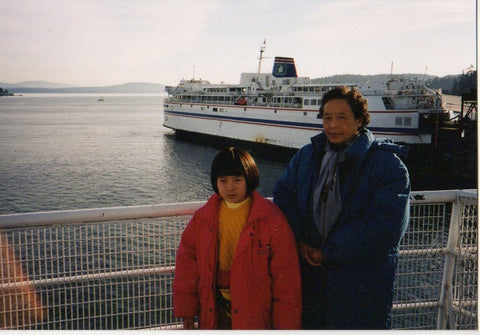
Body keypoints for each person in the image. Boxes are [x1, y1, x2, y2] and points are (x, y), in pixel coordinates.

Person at [273, 86, 410, 329]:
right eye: (327, 118)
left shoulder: (387, 165)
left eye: (341, 117)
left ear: (359, 120)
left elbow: (385, 227)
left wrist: (328, 252)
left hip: (361, 287)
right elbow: (284, 195)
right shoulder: (307, 156)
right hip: (313, 281)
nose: (332, 125)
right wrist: (301, 239)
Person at [173, 147, 301, 329]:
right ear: (214, 182)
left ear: (249, 179)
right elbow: (187, 266)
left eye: (237, 180)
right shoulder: (203, 218)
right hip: (214, 310)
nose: (230, 187)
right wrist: (186, 310)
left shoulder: (270, 218)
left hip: (254, 314)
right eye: (223, 180)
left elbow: (286, 280)